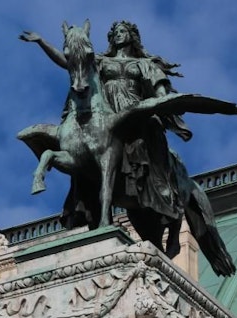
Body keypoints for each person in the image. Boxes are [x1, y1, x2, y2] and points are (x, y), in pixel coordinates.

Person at [20, 20, 193, 225]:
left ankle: (164, 190)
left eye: (123, 31)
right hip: (105, 111)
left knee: (147, 138)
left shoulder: (144, 64)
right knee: (78, 142)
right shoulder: (100, 61)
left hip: (135, 111)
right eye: (116, 32)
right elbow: (70, 62)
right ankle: (86, 199)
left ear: (132, 36)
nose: (119, 34)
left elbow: (160, 90)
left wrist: (158, 101)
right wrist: (42, 42)